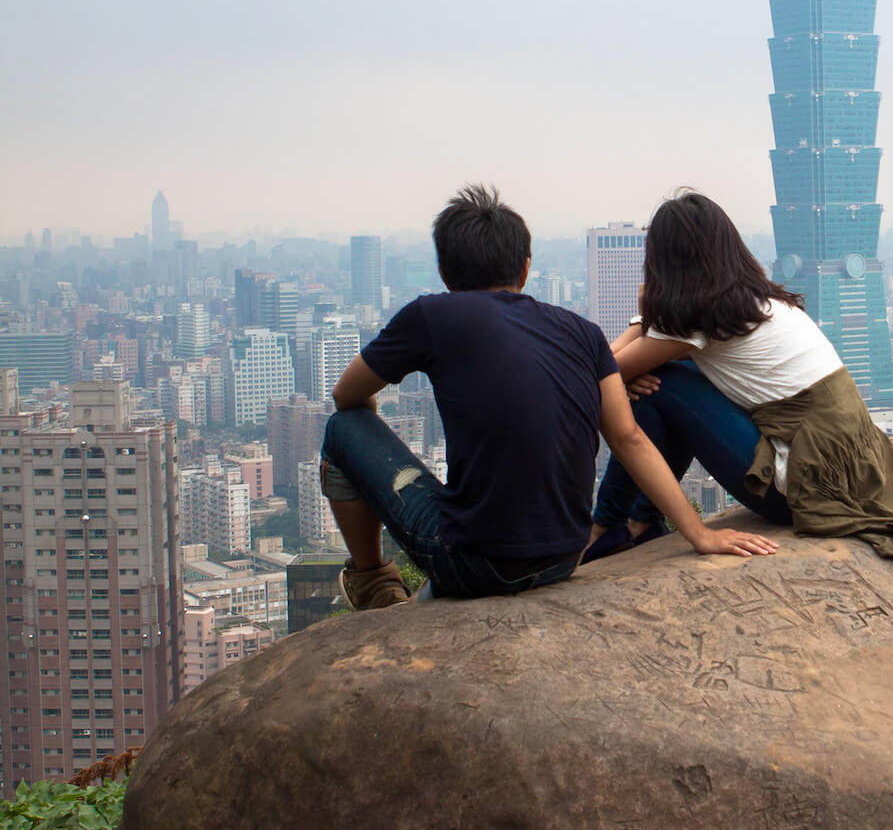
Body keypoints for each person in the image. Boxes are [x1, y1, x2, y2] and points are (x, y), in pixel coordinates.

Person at [320, 184, 778, 609]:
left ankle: (373, 581)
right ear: (525, 267)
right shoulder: (582, 332)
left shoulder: (430, 315)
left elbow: (347, 396)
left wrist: (369, 415)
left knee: (342, 429)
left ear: (444, 272)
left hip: (473, 563)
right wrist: (698, 534)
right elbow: (630, 439)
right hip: (565, 557)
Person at [586, 191, 893, 566]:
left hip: (802, 487)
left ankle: (611, 525)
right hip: (846, 469)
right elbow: (618, 368)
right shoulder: (754, 301)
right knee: (663, 375)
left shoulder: (700, 316)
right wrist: (642, 343)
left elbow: (602, 372)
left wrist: (643, 325)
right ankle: (636, 521)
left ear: (664, 261)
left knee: (662, 382)